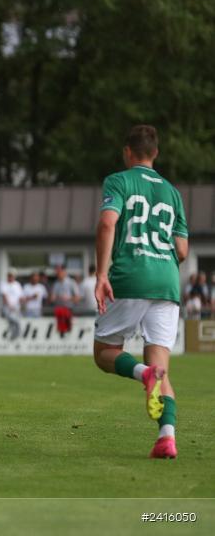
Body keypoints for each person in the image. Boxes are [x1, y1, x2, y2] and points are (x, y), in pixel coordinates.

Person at [93, 125, 188, 459]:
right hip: (167, 282)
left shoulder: (119, 181)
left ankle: (142, 374)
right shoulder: (172, 192)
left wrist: (101, 273)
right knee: (161, 364)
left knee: (104, 353)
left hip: (131, 276)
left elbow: (107, 224)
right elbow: (182, 249)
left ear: (127, 152)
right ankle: (167, 436)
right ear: (156, 153)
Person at [50, 266, 81, 335]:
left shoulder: (71, 282)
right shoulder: (56, 284)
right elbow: (52, 298)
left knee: (70, 331)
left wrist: (69, 298)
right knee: (60, 331)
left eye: (59, 272)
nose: (58, 274)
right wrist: (54, 298)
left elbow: (78, 297)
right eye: (57, 273)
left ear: (64, 272)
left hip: (70, 310)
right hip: (59, 311)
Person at [0, 272, 23, 338]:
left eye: (11, 276)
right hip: (7, 308)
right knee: (12, 319)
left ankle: (15, 333)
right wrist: (10, 306)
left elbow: (21, 297)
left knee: (16, 320)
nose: (10, 277)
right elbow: (4, 296)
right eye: (9, 276)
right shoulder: (3, 284)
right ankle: (15, 332)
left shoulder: (17, 284)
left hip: (16, 308)